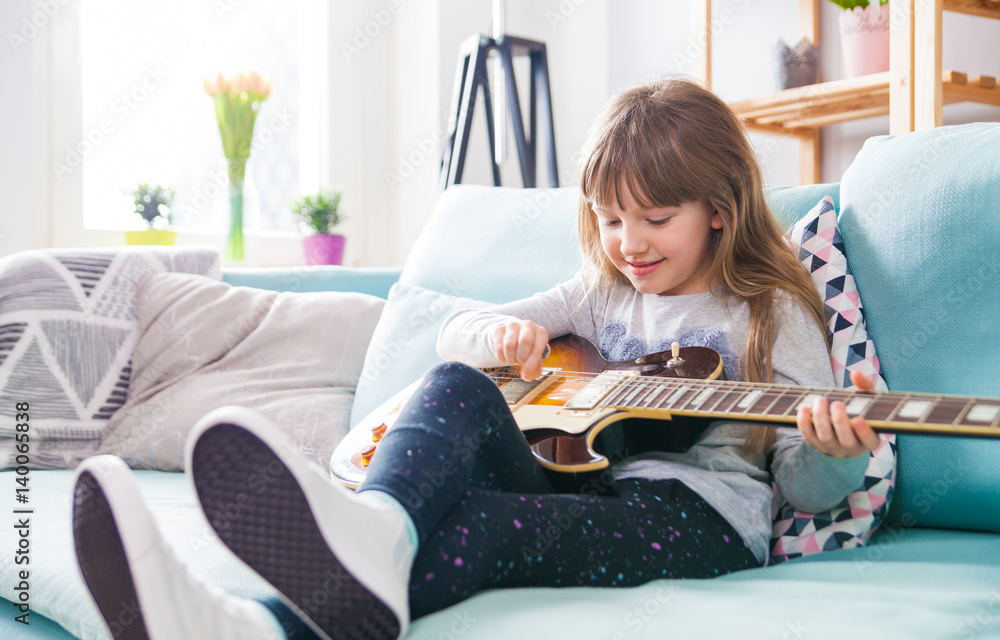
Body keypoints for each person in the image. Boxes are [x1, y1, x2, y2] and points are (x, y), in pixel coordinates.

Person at [72, 77, 880, 640]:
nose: (628, 244)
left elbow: (801, 485)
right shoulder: (601, 292)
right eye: (608, 220)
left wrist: (835, 456)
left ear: (719, 208)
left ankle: (247, 626)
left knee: (483, 530)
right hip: (582, 471)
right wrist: (500, 338)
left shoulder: (770, 310)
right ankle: (378, 527)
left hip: (695, 519)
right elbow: (455, 337)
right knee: (459, 383)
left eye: (655, 219)